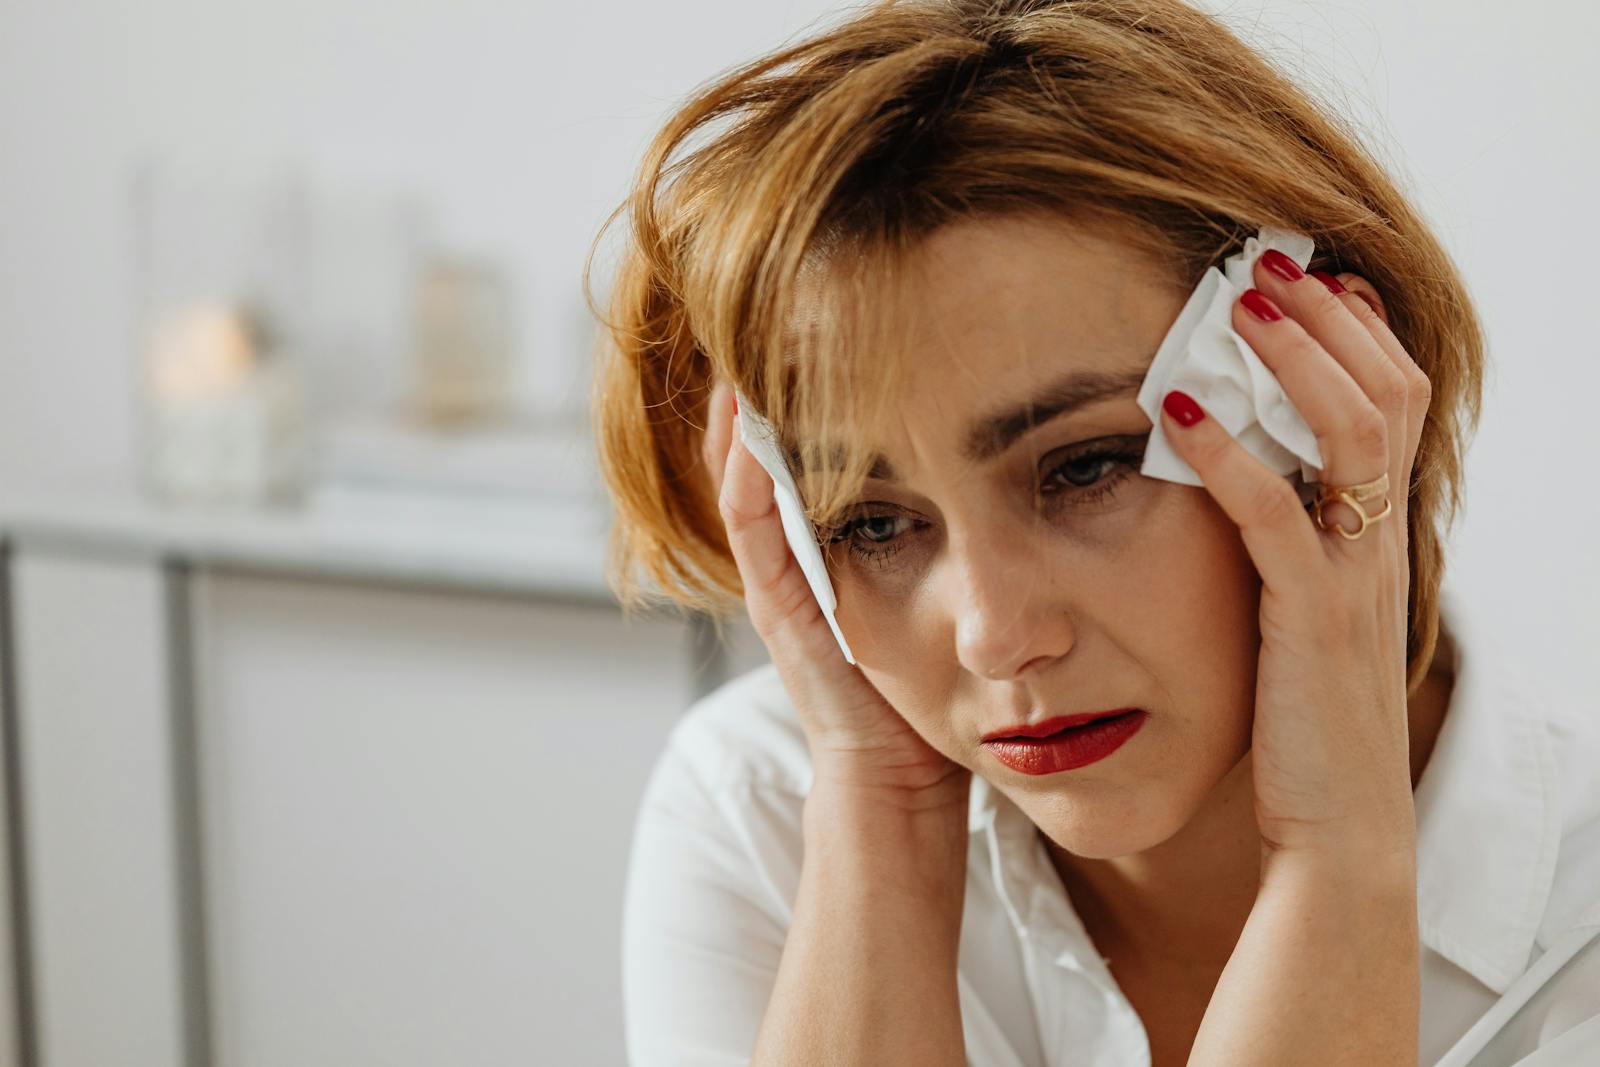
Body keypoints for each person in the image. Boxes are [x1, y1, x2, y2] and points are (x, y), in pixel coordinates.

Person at [587, 1, 1600, 1063]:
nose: (992, 634)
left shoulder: (1573, 940)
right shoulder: (760, 808)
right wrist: (879, 811)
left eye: (1083, 466)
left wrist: (1337, 858)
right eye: (871, 522)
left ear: (1317, 392)